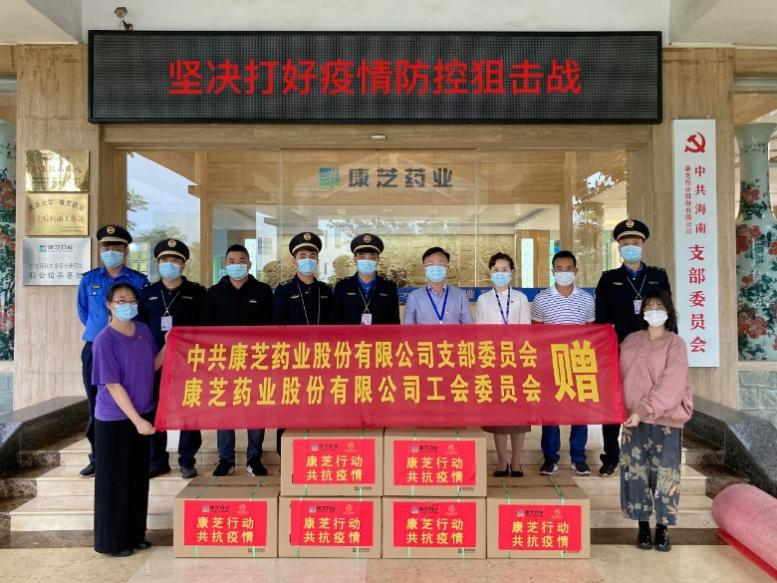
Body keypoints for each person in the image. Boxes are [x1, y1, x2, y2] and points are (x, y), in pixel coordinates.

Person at [92, 282, 165, 557]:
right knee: (114, 481)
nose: (128, 305)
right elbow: (112, 385)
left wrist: (171, 344)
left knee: (136, 479)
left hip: (142, 414)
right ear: (109, 305)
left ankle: (135, 535)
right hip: (115, 419)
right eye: (121, 300)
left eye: (132, 300)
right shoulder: (104, 339)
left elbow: (152, 365)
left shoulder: (143, 331)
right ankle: (112, 541)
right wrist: (137, 421)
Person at [595, 219, 671, 477]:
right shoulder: (609, 279)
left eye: (635, 242)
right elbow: (601, 320)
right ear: (618, 247)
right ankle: (611, 455)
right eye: (625, 243)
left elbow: (668, 312)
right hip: (619, 350)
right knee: (614, 402)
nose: (631, 247)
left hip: (652, 349)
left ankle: (647, 454)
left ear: (643, 245)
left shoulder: (658, 276)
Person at [619, 289, 692, 552]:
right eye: (649, 307)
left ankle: (662, 528)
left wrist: (644, 410)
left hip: (666, 420)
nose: (653, 311)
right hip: (633, 421)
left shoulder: (676, 344)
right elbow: (616, 375)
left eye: (659, 307)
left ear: (669, 311)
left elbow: (672, 384)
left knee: (665, 474)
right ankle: (642, 526)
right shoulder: (630, 341)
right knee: (635, 472)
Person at [77, 225, 149, 478]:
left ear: (125, 250)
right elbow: (84, 312)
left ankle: (129, 449)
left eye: (116, 247)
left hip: (129, 350)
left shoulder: (138, 281)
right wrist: (104, 334)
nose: (111, 251)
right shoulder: (89, 279)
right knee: (96, 402)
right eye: (106, 247)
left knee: (131, 400)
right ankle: (98, 456)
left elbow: (142, 313)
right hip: (95, 347)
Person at [202, 244, 273, 477]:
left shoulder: (263, 291)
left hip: (256, 361)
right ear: (225, 264)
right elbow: (205, 330)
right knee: (224, 410)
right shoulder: (214, 293)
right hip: (223, 362)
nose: (236, 265)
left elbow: (272, 327)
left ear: (249, 264)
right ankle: (226, 458)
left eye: (241, 260)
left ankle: (254, 457)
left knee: (256, 409)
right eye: (231, 261)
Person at [138, 239, 207, 479]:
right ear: (158, 264)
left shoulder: (197, 293)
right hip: (155, 361)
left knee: (189, 407)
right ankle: (157, 460)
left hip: (188, 362)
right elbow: (139, 329)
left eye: (175, 260)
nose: (170, 264)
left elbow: (206, 328)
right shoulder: (147, 294)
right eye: (165, 260)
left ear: (183, 265)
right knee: (156, 408)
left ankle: (187, 460)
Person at [531, 250, 595, 476]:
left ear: (576, 270)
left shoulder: (587, 299)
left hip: (579, 361)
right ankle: (550, 458)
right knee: (551, 413)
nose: (564, 273)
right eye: (559, 269)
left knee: (580, 412)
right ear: (553, 271)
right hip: (550, 363)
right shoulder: (541, 299)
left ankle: (579, 458)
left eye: (568, 269)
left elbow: (591, 333)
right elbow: (536, 333)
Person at [272, 232, 332, 454]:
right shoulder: (284, 290)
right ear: (294, 260)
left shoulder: (325, 290)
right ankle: (286, 453)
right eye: (303, 255)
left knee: (318, 404)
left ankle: (316, 450)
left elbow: (334, 326)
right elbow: (276, 327)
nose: (308, 260)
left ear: (317, 259)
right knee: (289, 406)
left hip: (321, 360)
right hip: (292, 361)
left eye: (312, 255)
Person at [476, 252, 531, 477]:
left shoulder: (521, 298)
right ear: (490, 272)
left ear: (512, 272)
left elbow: (526, 331)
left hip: (516, 361)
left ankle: (516, 462)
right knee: (498, 414)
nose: (500, 273)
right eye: (496, 269)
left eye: (505, 269)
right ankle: (501, 461)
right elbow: (479, 333)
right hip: (492, 362)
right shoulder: (483, 299)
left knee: (519, 415)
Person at [330, 233, 400, 325]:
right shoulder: (342, 286)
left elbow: (394, 321)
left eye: (372, 257)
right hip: (350, 334)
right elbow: (335, 320)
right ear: (355, 258)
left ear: (377, 259)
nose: (367, 261)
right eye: (362, 257)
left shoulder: (389, 287)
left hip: (380, 335)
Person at [403, 247, 472, 324]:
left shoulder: (460, 295)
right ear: (424, 268)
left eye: (440, 263)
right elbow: (408, 327)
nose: (435, 267)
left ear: (447, 268)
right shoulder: (414, 297)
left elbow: (468, 325)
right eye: (430, 264)